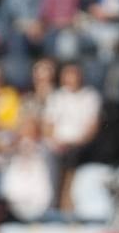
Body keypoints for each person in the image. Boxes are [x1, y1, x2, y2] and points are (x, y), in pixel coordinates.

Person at [43, 62, 103, 213]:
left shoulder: (91, 97)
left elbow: (92, 128)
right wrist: (55, 142)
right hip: (58, 144)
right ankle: (52, 201)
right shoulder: (56, 97)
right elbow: (48, 126)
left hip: (80, 144)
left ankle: (66, 200)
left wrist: (74, 143)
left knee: (72, 157)